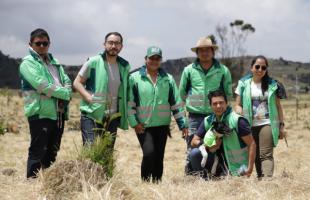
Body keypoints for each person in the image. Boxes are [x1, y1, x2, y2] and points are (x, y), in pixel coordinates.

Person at [127, 46, 188, 182]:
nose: (154, 61)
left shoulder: (168, 79)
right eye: (151, 58)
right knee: (149, 153)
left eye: (157, 58)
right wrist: (134, 123)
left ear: (160, 60)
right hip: (143, 125)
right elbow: (129, 103)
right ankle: (145, 184)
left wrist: (183, 125)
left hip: (162, 125)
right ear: (146, 59)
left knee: (159, 156)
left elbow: (176, 104)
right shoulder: (134, 78)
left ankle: (156, 184)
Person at [19, 28, 72, 178]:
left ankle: (47, 181)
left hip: (59, 112)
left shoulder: (54, 61)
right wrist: (65, 93)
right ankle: (32, 183)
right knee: (38, 149)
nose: (42, 46)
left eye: (45, 43)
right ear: (30, 44)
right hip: (40, 112)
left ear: (49, 44)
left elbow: (67, 80)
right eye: (38, 43)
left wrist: (66, 90)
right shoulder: (27, 63)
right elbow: (41, 86)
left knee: (53, 149)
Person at [179, 36, 233, 174]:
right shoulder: (189, 70)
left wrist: (227, 115)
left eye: (207, 50)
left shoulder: (223, 70)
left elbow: (228, 94)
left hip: (216, 116)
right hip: (194, 117)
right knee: (194, 147)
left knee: (217, 146)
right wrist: (183, 120)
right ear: (197, 53)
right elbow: (181, 96)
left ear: (212, 51)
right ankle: (194, 173)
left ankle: (218, 173)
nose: (204, 53)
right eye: (201, 50)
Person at [73, 32, 131, 147]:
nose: (114, 46)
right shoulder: (93, 62)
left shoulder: (124, 66)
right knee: (90, 150)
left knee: (106, 154)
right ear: (104, 44)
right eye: (110, 43)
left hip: (112, 117)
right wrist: (89, 97)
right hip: (91, 114)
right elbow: (77, 82)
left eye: (117, 43)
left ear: (121, 46)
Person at [235, 55, 286, 178]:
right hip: (249, 124)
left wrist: (281, 126)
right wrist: (239, 112)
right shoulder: (243, 83)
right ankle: (260, 178)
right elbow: (237, 104)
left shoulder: (273, 85)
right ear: (252, 68)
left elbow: (278, 106)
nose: (260, 69)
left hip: (267, 123)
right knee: (255, 153)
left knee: (266, 154)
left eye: (263, 67)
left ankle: (268, 181)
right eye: (257, 66)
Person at [190, 90, 256, 178]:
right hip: (216, 162)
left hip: (236, 167)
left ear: (226, 103)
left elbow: (252, 144)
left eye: (221, 103)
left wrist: (250, 169)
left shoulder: (238, 120)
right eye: (215, 103)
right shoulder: (208, 121)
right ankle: (203, 180)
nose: (218, 106)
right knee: (195, 153)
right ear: (210, 106)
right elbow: (193, 141)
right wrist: (208, 145)